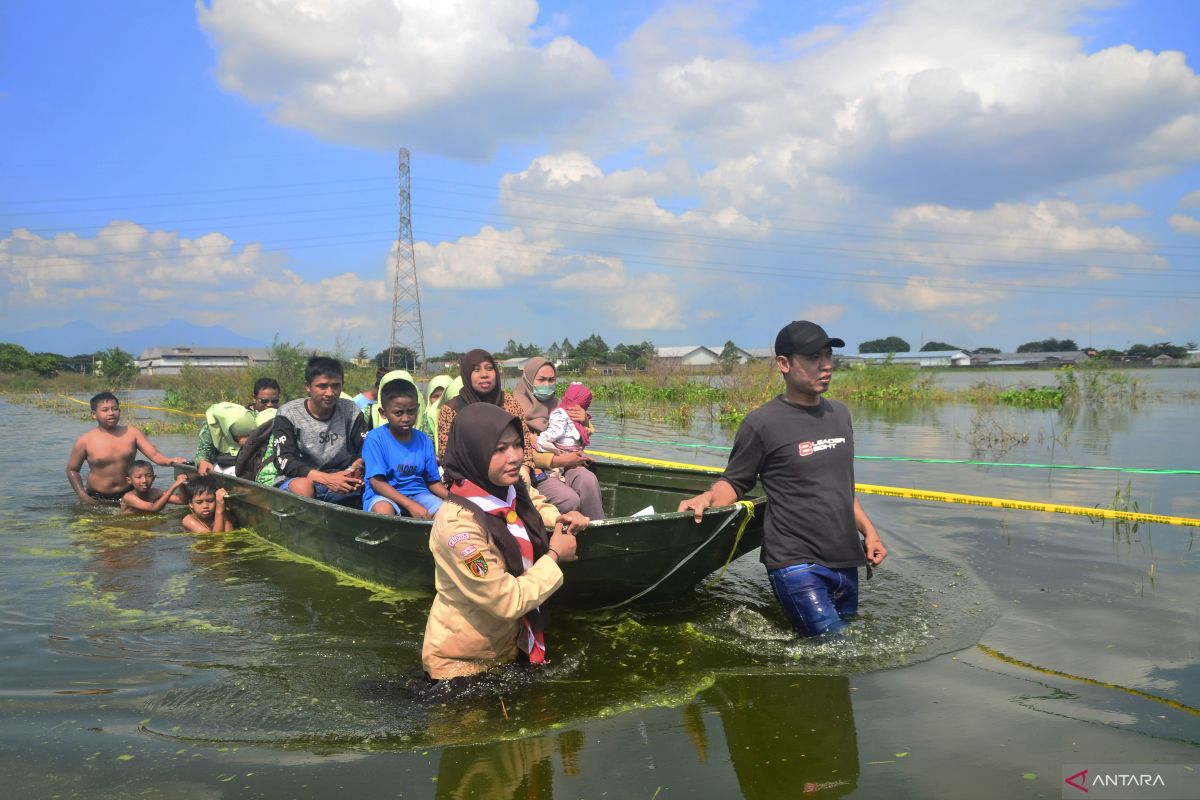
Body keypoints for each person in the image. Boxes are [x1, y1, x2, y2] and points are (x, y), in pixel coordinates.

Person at [677, 321, 887, 637]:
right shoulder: (762, 423)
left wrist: (870, 534)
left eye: (829, 356)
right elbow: (734, 483)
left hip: (845, 557)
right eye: (814, 357)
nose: (826, 365)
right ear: (784, 364)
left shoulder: (840, 415)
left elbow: (841, 488)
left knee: (845, 649)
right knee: (832, 645)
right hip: (795, 561)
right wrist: (707, 498)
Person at [422, 403, 589, 682]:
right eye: (499, 449)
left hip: (509, 648)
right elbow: (506, 599)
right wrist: (554, 555)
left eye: (516, 445)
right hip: (462, 666)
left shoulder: (509, 484)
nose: (513, 457)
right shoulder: (458, 527)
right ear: (473, 452)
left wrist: (561, 518)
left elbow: (532, 503)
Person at [513, 358, 604, 520]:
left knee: (588, 480)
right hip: (536, 471)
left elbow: (575, 441)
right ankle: (564, 538)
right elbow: (521, 451)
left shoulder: (560, 405)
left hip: (566, 464)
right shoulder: (514, 406)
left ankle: (600, 531)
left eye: (551, 380)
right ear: (527, 380)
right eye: (541, 380)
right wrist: (560, 461)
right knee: (569, 500)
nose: (546, 385)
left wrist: (584, 421)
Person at [272, 356, 368, 505]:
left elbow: (366, 447)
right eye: (322, 386)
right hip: (303, 479)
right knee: (302, 487)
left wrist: (356, 466)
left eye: (336, 386)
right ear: (307, 386)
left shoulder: (351, 410)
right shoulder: (288, 414)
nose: (330, 393)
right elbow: (284, 461)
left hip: (343, 476)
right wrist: (328, 480)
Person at [66, 392, 187, 505]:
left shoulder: (132, 433)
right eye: (105, 410)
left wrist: (171, 461)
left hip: (129, 492)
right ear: (94, 414)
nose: (111, 413)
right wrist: (82, 495)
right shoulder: (85, 441)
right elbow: (72, 470)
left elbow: (154, 455)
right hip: (97, 497)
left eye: (115, 409)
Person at [362, 378, 448, 518]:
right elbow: (376, 482)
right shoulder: (375, 438)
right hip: (384, 495)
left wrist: (455, 499)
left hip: (418, 493)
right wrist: (409, 504)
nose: (406, 418)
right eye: (398, 413)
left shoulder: (424, 440)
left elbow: (432, 482)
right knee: (383, 510)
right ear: (383, 413)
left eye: (411, 411)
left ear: (418, 408)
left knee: (446, 513)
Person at [436, 350, 536, 469]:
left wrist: (523, 473)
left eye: (489, 368)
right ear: (467, 374)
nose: (484, 374)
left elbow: (525, 448)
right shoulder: (452, 410)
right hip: (469, 478)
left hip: (512, 472)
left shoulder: (509, 403)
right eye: (476, 370)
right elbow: (447, 456)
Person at [195, 402, 260, 475]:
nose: (245, 439)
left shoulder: (258, 420)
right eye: (240, 435)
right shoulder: (213, 426)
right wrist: (202, 461)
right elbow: (203, 451)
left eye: (248, 435)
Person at [120, 460, 187, 514]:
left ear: (154, 478)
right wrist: (174, 486)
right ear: (129, 480)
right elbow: (153, 509)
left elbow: (182, 501)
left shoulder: (155, 492)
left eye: (149, 476)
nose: (144, 480)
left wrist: (181, 483)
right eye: (138, 477)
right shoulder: (128, 497)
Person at [417, 374, 452, 439]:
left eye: (444, 396)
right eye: (436, 396)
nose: (440, 401)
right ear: (429, 399)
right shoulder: (423, 425)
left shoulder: (459, 421)